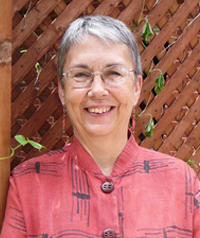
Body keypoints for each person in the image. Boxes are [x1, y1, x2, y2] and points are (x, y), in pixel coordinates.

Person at [1, 15, 200, 238]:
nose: (97, 90)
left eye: (113, 73)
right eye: (81, 75)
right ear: (62, 91)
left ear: (136, 88)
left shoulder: (180, 181)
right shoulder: (28, 184)